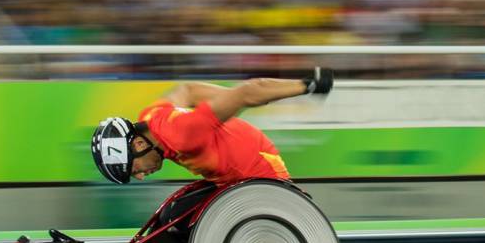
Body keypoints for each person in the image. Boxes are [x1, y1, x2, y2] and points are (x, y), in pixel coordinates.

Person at [90, 67, 333, 186]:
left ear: (139, 144)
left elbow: (248, 91)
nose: (141, 176)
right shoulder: (150, 117)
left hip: (261, 175)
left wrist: (308, 86)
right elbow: (187, 90)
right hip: (227, 181)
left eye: (135, 170)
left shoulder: (183, 135)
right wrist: (225, 102)